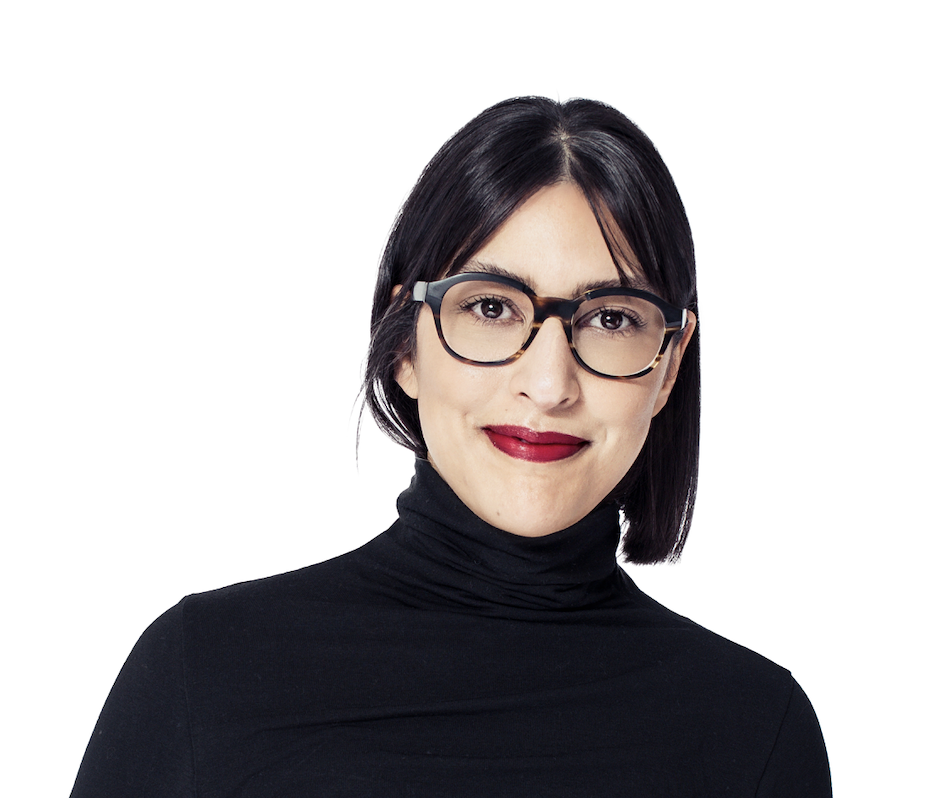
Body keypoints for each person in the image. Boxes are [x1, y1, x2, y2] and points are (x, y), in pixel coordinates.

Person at [70, 97, 831, 797]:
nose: (548, 384)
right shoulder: (204, 673)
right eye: (492, 308)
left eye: (610, 319)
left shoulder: (756, 731)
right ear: (405, 343)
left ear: (668, 364)